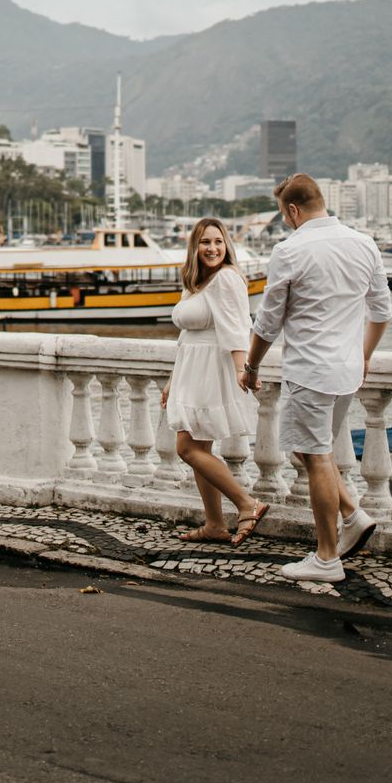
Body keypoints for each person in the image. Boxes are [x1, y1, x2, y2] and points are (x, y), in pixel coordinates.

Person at [243, 174, 391, 582]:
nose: (286, 222)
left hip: (310, 371)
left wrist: (252, 366)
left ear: (292, 210)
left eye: (284, 216)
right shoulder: (364, 243)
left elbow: (268, 322)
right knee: (309, 453)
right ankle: (353, 516)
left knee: (317, 457)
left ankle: (327, 558)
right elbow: (381, 311)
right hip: (346, 372)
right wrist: (363, 355)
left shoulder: (290, 250)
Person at [163, 217, 267, 545]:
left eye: (218, 242)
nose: (212, 248)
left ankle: (247, 503)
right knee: (199, 447)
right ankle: (215, 524)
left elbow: (238, 327)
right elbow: (185, 337)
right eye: (206, 242)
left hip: (211, 370)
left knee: (187, 447)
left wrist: (244, 369)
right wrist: (172, 380)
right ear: (195, 247)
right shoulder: (194, 282)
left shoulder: (227, 278)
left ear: (227, 246)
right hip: (189, 370)